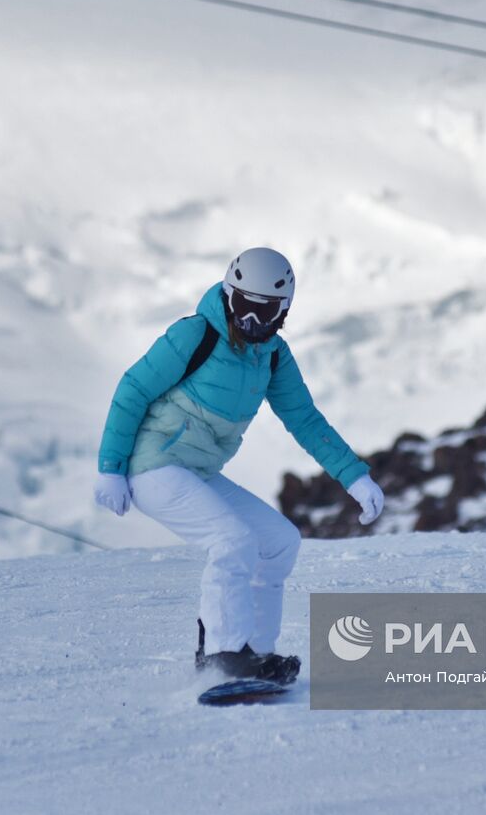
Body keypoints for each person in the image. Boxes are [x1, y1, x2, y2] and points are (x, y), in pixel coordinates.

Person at [94, 247, 384, 684]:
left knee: (279, 541)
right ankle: (222, 656)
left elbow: (304, 419)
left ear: (283, 311)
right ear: (229, 295)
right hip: (152, 465)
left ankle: (255, 653)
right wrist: (111, 466)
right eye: (243, 305)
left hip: (198, 471)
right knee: (231, 541)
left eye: (263, 311)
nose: (250, 320)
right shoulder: (196, 335)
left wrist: (355, 477)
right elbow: (133, 388)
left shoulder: (272, 356)